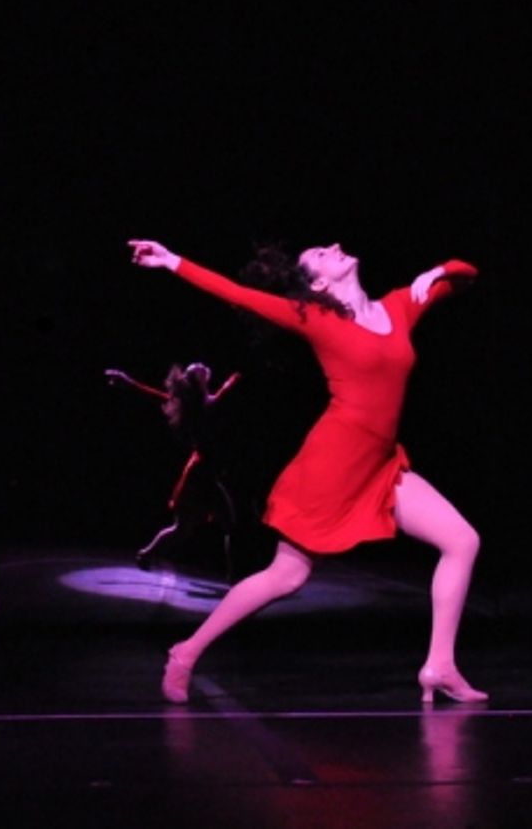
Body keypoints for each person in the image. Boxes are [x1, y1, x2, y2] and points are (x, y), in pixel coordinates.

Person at [127, 238, 487, 704]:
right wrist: (171, 260)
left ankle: (439, 666)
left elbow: (467, 273)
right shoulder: (315, 317)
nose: (333, 246)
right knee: (286, 576)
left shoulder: (399, 306)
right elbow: (236, 294)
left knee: (462, 541)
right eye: (320, 254)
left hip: (380, 465)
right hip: (333, 467)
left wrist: (436, 271)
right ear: (317, 284)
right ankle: (186, 651)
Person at [104, 362, 243, 577]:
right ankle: (235, 577)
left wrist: (127, 382)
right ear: (199, 381)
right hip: (200, 476)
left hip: (200, 473)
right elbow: (235, 380)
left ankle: (147, 554)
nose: (200, 365)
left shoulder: (199, 406)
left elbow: (153, 396)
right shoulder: (207, 406)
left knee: (185, 529)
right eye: (196, 368)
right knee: (225, 525)